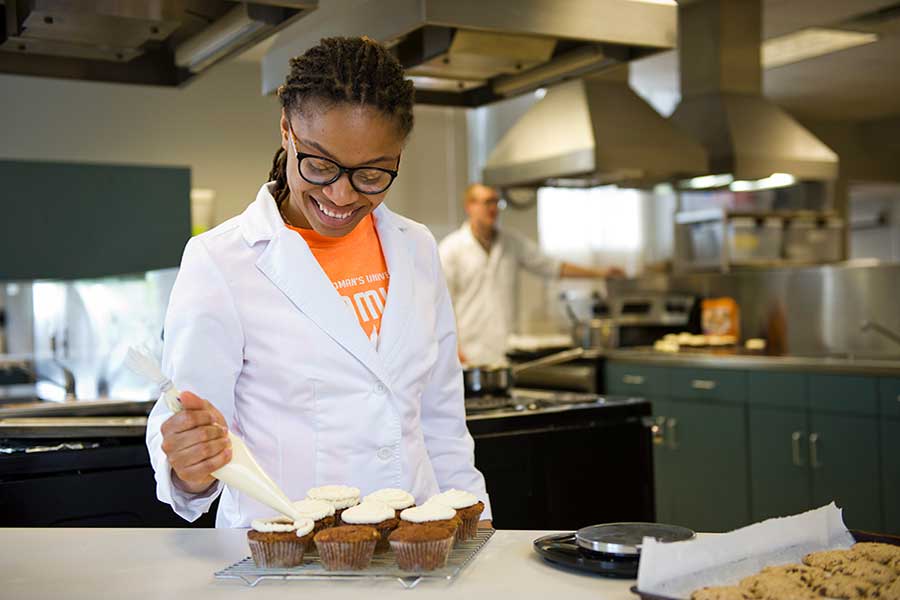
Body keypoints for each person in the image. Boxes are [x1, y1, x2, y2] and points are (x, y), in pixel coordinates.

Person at [145, 37, 491, 528]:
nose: (341, 195)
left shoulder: (416, 247)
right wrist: (190, 467)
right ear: (287, 129)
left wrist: (476, 530)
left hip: (417, 549)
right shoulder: (221, 261)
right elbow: (189, 430)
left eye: (372, 174)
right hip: (288, 557)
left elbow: (442, 424)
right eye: (321, 165)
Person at [439, 184, 624, 366]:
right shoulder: (451, 249)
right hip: (467, 352)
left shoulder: (511, 243)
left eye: (496, 202)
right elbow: (440, 303)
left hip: (505, 350)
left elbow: (551, 267)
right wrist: (452, 347)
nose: (493, 208)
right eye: (487, 202)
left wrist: (600, 273)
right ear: (469, 206)